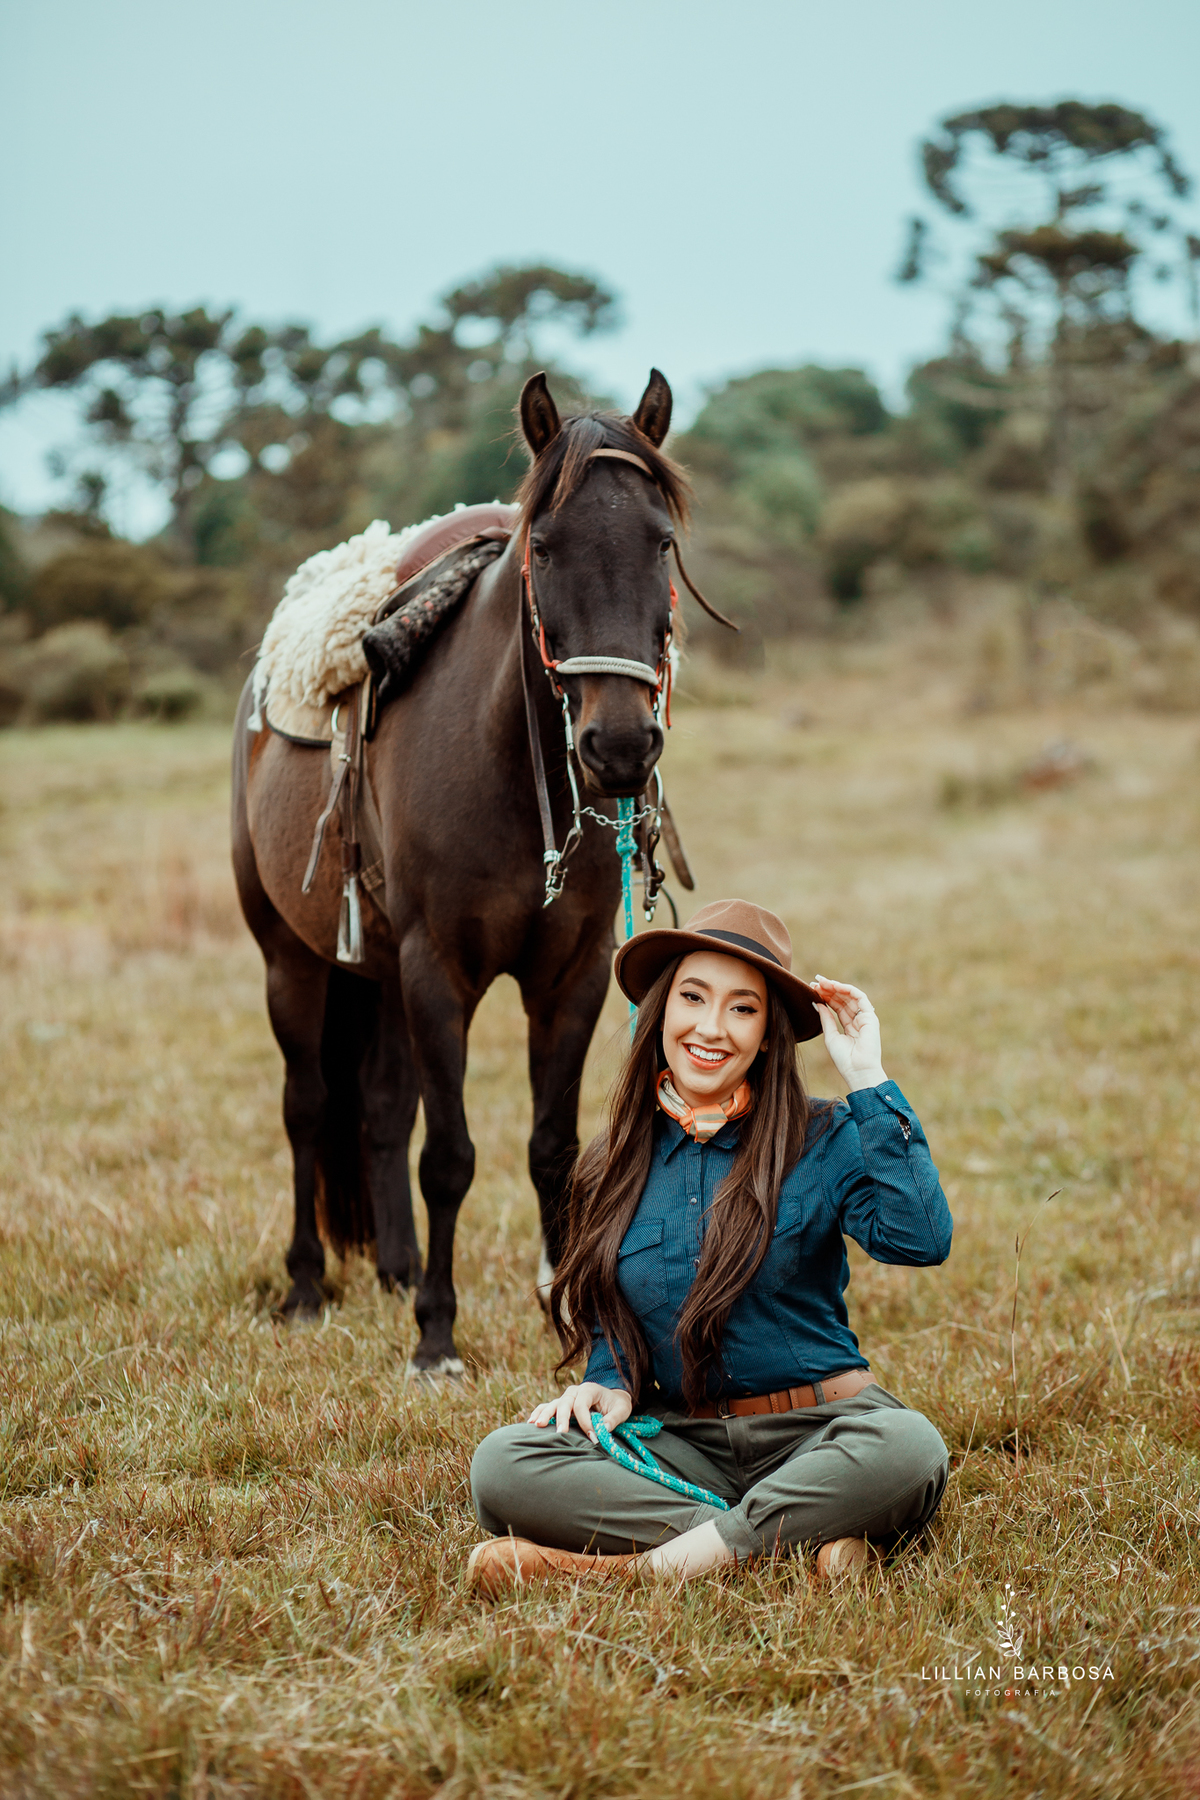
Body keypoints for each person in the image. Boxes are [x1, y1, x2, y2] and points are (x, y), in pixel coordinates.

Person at [467, 898, 952, 1597]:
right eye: (693, 997)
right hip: (688, 1445)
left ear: (767, 1034)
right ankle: (796, 1540)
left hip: (826, 1431)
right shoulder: (610, 1164)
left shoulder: (825, 1135)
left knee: (910, 1449)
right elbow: (614, 1322)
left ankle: (647, 1569)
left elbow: (922, 1241)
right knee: (503, 1465)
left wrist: (868, 1079)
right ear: (661, 1010)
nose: (711, 1027)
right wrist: (609, 1381)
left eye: (742, 1009)